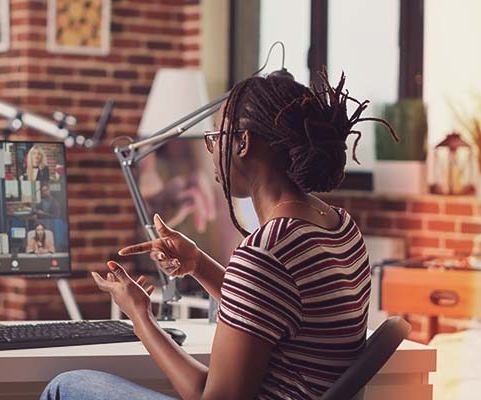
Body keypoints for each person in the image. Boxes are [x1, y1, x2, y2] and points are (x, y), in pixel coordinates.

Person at [40, 69, 398, 400]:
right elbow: (269, 309)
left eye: (214, 137)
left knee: (65, 386)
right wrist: (197, 263)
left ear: (243, 143)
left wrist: (140, 317)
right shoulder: (339, 225)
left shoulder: (266, 251)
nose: (211, 151)